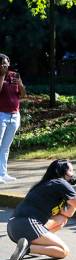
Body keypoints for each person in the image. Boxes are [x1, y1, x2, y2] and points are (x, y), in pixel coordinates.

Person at [7, 159, 76, 260]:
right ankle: (28, 248)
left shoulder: (46, 184)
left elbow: (68, 213)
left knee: (62, 219)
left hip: (13, 228)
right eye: (71, 171)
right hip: (28, 224)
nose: (73, 175)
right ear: (63, 172)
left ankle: (35, 246)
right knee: (63, 251)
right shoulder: (61, 183)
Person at [0, 53, 27, 184]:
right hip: (1, 115)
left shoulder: (15, 75)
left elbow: (23, 95)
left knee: (6, 147)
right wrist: (1, 75)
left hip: (14, 115)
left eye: (5, 63)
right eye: (1, 64)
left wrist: (20, 84)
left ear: (9, 63)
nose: (3, 66)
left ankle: (3, 173)